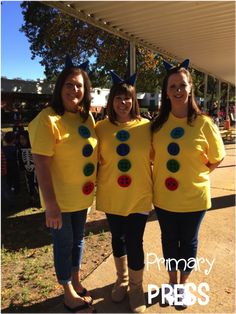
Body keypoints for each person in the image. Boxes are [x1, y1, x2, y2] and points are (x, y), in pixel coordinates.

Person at [151, 59, 225, 307]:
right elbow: (151, 157)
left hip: (194, 199)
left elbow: (218, 157)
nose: (178, 90)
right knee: (169, 241)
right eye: (172, 86)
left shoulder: (204, 123)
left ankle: (182, 286)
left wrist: (200, 174)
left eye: (182, 85)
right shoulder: (158, 126)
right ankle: (172, 282)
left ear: (191, 88)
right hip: (164, 199)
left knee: (189, 242)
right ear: (166, 91)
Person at [28, 56, 97, 313]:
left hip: (81, 198)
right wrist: (51, 205)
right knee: (64, 243)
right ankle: (67, 292)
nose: (74, 90)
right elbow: (41, 165)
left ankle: (76, 280)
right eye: (69, 84)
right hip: (59, 200)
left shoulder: (85, 118)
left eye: (79, 85)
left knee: (78, 241)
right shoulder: (47, 119)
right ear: (60, 87)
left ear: (85, 89)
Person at [95, 71, 153, 313]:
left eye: (127, 98)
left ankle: (137, 287)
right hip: (112, 195)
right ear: (111, 102)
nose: (123, 103)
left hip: (139, 195)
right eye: (118, 98)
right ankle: (123, 280)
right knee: (117, 239)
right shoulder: (100, 128)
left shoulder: (147, 126)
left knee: (135, 241)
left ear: (134, 101)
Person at [18, 130, 39, 206]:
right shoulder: (20, 149)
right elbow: (20, 160)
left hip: (36, 169)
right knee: (29, 184)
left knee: (37, 183)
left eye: (23, 139)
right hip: (27, 169)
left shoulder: (33, 148)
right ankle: (32, 197)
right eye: (20, 139)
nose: (22, 141)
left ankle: (39, 198)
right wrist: (23, 169)